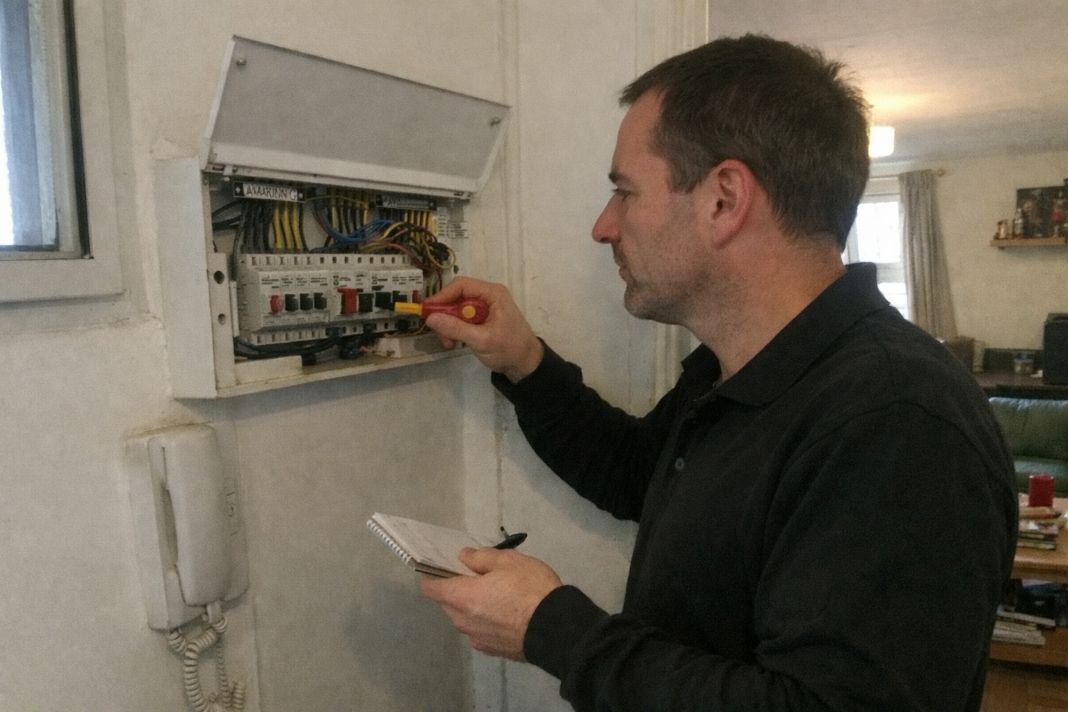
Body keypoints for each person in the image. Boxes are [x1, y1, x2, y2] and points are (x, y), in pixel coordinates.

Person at [419, 34, 1018, 711]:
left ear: (724, 199)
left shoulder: (896, 421)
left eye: (625, 192)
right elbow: (636, 475)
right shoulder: (738, 369)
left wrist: (553, 629)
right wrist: (522, 359)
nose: (603, 226)